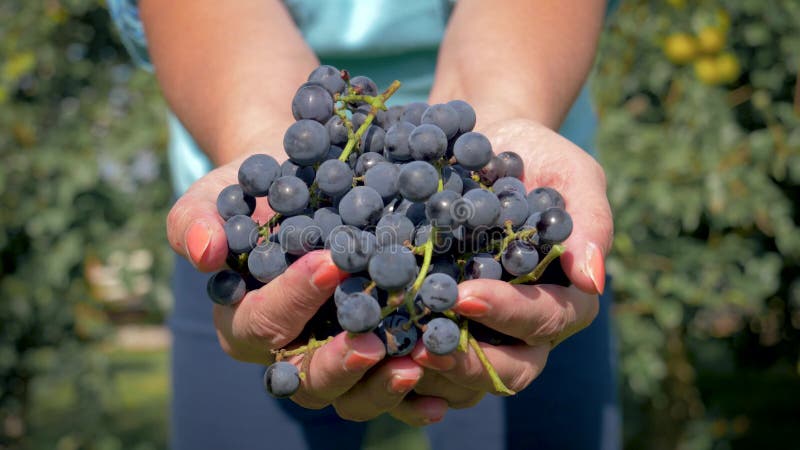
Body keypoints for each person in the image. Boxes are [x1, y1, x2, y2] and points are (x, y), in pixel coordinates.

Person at [110, 0, 619, 448]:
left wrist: (506, 110)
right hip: (248, 181)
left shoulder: (505, 216)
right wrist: (258, 132)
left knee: (515, 335)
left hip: (524, 132)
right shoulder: (265, 219)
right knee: (280, 326)